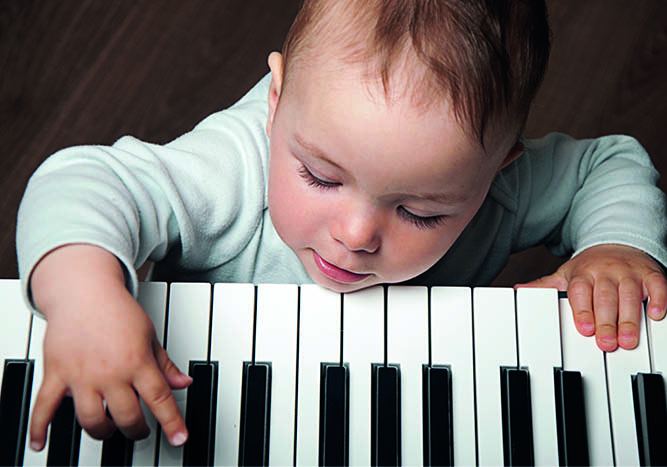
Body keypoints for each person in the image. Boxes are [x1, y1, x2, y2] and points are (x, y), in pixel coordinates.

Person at [17, 0, 667, 451]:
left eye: (419, 211)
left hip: (400, 402)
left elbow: (605, 164)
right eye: (321, 177)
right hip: (209, 396)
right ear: (275, 106)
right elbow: (80, 181)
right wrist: (86, 297)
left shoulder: (493, 184)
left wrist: (614, 246)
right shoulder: (236, 168)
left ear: (498, 168)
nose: (356, 233)